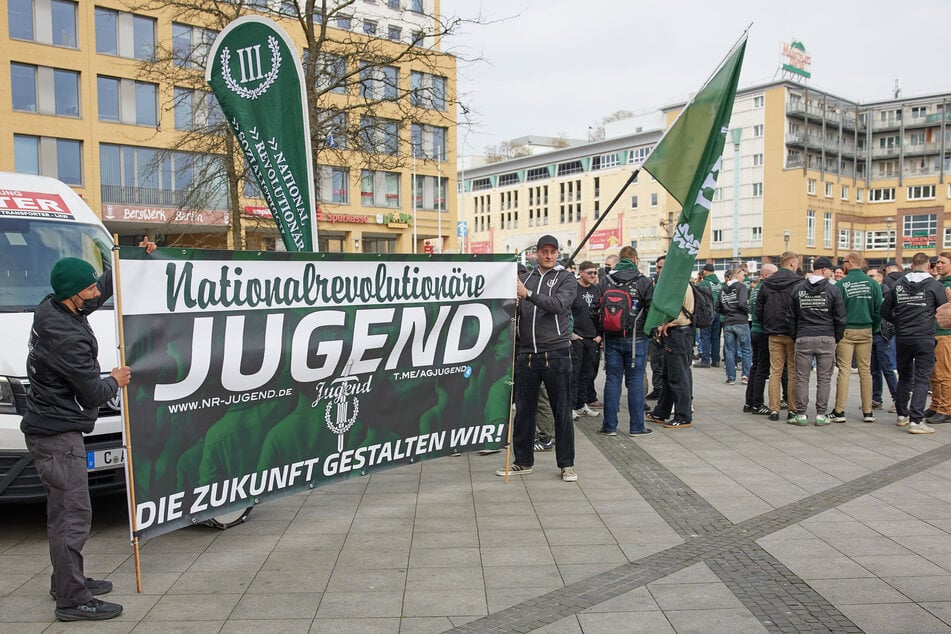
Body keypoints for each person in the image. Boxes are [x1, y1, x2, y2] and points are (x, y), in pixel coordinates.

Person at [23, 241, 155, 622]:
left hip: (51, 430)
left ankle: (64, 580)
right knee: (72, 517)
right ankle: (72, 600)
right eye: (90, 289)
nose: (96, 293)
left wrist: (127, 261)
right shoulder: (67, 338)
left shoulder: (54, 307)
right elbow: (94, 392)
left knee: (63, 515)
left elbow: (97, 290)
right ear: (72, 296)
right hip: (58, 438)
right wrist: (116, 380)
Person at [498, 235, 578, 481]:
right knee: (523, 411)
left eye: (553, 251)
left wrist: (528, 293)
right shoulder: (525, 278)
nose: (549, 255)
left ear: (558, 253)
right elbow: (510, 310)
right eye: (544, 251)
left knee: (562, 410)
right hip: (527, 354)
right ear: (536, 253)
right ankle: (523, 461)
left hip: (556, 352)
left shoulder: (565, 278)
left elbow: (558, 305)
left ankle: (566, 464)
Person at [882, 252, 948, 434]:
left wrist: (899, 321)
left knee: (904, 376)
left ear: (911, 266)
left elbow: (885, 311)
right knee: (922, 378)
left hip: (903, 337)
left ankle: (902, 415)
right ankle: (916, 420)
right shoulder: (935, 285)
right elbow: (944, 311)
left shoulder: (897, 285)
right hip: (924, 337)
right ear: (929, 266)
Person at [599, 246, 654, 437]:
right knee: (635, 381)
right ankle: (637, 427)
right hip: (636, 338)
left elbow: (598, 309)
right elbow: (651, 308)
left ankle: (609, 426)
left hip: (611, 337)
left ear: (620, 259)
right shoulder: (643, 281)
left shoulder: (606, 281)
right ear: (635, 260)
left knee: (612, 380)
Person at [790, 257, 846, 426]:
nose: (832, 273)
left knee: (801, 378)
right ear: (824, 270)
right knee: (824, 379)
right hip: (826, 337)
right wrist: (836, 337)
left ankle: (801, 414)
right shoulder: (833, 290)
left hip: (803, 336)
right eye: (830, 270)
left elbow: (790, 317)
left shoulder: (797, 289)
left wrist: (796, 336)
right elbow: (841, 317)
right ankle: (821, 415)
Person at [829, 252, 882, 424]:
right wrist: (872, 328)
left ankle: (839, 411)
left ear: (850, 262)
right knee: (865, 371)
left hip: (847, 330)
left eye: (843, 262)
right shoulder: (873, 283)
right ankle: (867, 412)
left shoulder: (841, 284)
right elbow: (878, 310)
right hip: (866, 329)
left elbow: (836, 311)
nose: (841, 265)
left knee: (844, 370)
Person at [755, 251, 802, 422]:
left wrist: (767, 324)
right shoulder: (798, 283)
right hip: (792, 333)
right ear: (792, 264)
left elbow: (758, 309)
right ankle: (792, 408)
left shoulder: (767, 283)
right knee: (792, 371)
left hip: (773, 332)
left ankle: (774, 409)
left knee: (774, 372)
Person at [648, 284, 695, 429]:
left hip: (679, 334)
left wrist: (668, 323)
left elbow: (683, 315)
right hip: (676, 334)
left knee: (678, 377)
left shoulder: (681, 285)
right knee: (668, 376)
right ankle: (661, 412)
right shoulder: (679, 283)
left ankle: (683, 416)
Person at [570, 261, 603, 418]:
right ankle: (570, 405)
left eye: (595, 273)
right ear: (581, 272)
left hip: (592, 338)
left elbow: (602, 313)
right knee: (573, 374)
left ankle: (581, 404)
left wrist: (599, 335)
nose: (593, 275)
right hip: (577, 337)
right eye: (590, 272)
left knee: (587, 374)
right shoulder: (572, 288)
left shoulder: (597, 290)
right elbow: (565, 312)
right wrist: (570, 334)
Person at [744, 263, 777, 415]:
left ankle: (749, 402)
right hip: (763, 331)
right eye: (774, 274)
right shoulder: (766, 288)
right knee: (762, 369)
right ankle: (757, 403)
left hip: (755, 329)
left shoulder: (756, 289)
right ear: (765, 275)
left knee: (755, 366)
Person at [867, 267, 899, 413]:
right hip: (871, 334)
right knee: (874, 369)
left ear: (880, 277)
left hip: (883, 334)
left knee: (887, 368)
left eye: (872, 276)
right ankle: (876, 399)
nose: (870, 278)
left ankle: (897, 399)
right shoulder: (870, 291)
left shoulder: (887, 292)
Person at [717, 267, 752, 385]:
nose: (744, 278)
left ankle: (731, 377)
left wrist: (727, 313)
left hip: (728, 322)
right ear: (736, 275)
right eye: (743, 275)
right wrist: (748, 311)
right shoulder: (741, 287)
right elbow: (742, 304)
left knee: (730, 350)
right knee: (746, 349)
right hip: (741, 321)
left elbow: (717, 307)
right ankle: (746, 375)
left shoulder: (723, 289)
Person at [928, 253, 951, 424]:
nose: (938, 265)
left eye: (943, 262)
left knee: (944, 373)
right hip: (933, 333)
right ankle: (935, 405)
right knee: (934, 373)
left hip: (946, 335)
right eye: (937, 262)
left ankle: (946, 408)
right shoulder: (937, 283)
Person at [646, 255, 666, 400]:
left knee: (666, 363)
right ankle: (658, 388)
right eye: (657, 267)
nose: (657, 270)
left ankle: (665, 391)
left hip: (669, 330)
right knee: (655, 361)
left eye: (660, 267)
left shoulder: (675, 285)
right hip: (655, 330)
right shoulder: (654, 284)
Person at [696, 264, 723, 368]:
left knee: (705, 337)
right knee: (715, 337)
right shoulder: (720, 284)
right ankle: (716, 360)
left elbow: (700, 299)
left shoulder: (705, 283)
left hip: (707, 313)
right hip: (718, 313)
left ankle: (705, 360)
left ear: (705, 272)